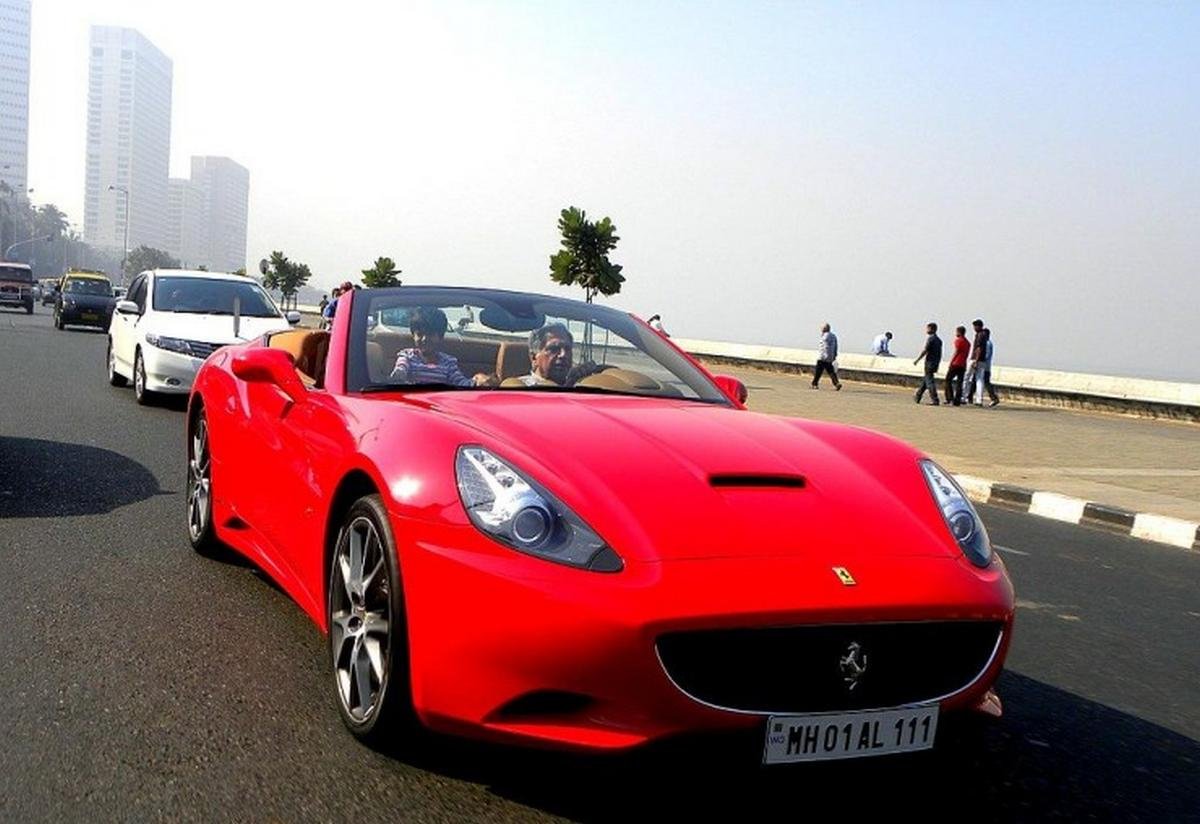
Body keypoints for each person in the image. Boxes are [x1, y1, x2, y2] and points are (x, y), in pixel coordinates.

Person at [390, 306, 496, 387]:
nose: (424, 339)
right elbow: (400, 369)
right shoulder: (407, 356)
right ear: (413, 335)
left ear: (440, 337)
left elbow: (460, 382)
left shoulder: (448, 362)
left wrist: (476, 381)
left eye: (430, 335)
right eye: (420, 334)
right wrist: (398, 375)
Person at [913, 322, 943, 405]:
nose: (926, 330)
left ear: (932, 329)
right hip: (935, 362)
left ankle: (935, 399)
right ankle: (918, 396)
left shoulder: (931, 339)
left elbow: (925, 350)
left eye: (928, 328)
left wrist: (918, 359)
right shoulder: (939, 340)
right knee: (926, 380)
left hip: (929, 363)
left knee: (929, 381)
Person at [811, 323, 842, 390]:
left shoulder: (824, 336)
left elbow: (823, 347)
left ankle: (814, 384)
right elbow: (835, 346)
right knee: (831, 371)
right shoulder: (834, 336)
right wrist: (834, 355)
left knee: (818, 371)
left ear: (824, 329)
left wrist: (822, 356)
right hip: (830, 357)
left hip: (823, 357)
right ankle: (836, 383)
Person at [945, 325, 970, 405]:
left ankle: (950, 398)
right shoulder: (967, 343)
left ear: (959, 332)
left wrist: (951, 362)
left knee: (948, 380)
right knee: (960, 382)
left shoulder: (958, 341)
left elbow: (956, 352)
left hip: (956, 363)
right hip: (963, 364)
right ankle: (957, 400)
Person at [975, 329, 1000, 407]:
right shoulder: (987, 343)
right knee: (982, 382)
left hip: (985, 367)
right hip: (985, 366)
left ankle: (994, 398)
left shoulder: (987, 344)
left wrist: (979, 361)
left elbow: (986, 355)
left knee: (986, 382)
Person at [965, 319, 986, 404]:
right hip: (982, 360)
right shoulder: (984, 335)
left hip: (975, 359)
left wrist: (975, 361)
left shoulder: (979, 335)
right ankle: (979, 400)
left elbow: (978, 348)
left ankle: (964, 397)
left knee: (966, 377)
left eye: (974, 326)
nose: (974, 328)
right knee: (979, 380)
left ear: (978, 326)